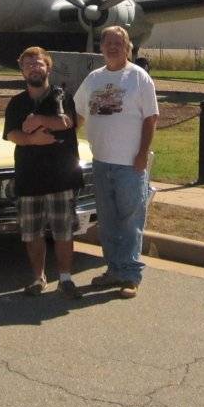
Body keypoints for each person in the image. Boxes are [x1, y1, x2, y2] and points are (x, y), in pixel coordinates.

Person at [73, 26, 158, 299]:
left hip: (130, 164)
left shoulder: (139, 77)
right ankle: (114, 270)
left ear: (128, 47)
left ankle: (131, 275)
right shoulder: (93, 78)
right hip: (101, 162)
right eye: (107, 42)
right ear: (101, 47)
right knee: (108, 222)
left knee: (130, 221)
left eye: (118, 43)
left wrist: (142, 154)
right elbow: (78, 115)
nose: (112, 47)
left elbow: (151, 118)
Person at [3, 47, 84, 299]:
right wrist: (32, 140)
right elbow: (12, 133)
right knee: (32, 233)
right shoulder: (16, 103)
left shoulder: (62, 97)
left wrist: (38, 120)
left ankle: (66, 279)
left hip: (61, 177)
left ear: (48, 67)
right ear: (22, 71)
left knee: (63, 231)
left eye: (38, 63)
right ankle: (38, 278)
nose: (34, 68)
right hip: (29, 177)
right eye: (28, 65)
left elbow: (67, 122)